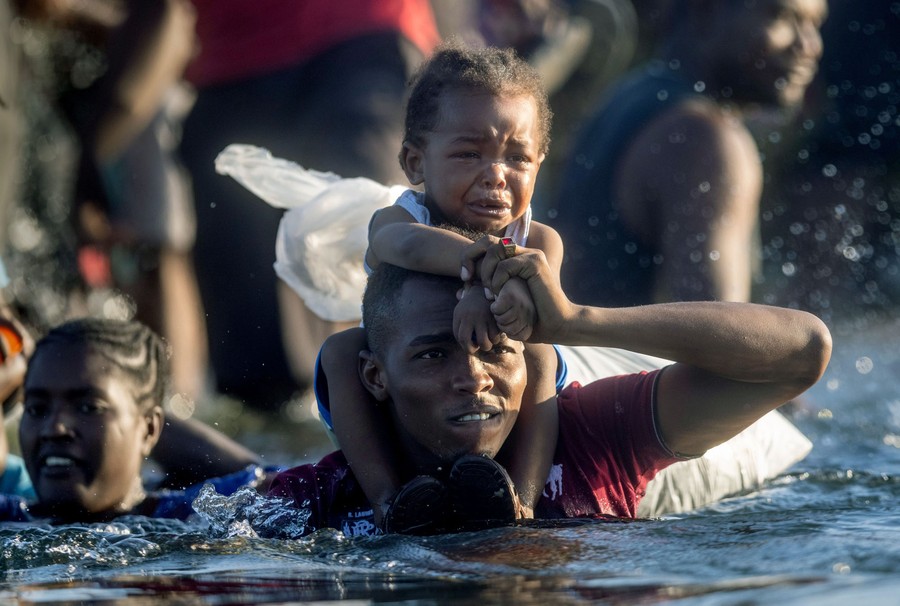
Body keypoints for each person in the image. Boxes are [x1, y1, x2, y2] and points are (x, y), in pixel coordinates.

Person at [264, 241, 832, 538]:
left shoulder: (595, 440)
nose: (474, 377)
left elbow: (803, 351)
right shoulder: (325, 497)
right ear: (374, 377)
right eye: (434, 355)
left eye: (496, 349)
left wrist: (576, 322)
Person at [316, 42, 564, 532]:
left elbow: (538, 308)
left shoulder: (539, 240)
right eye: (469, 153)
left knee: (540, 354)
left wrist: (489, 291)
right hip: (407, 381)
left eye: (518, 158)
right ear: (415, 163)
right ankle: (388, 500)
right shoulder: (398, 220)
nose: (496, 176)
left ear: (540, 163)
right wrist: (478, 274)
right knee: (340, 351)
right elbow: (407, 247)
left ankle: (522, 499)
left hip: (501, 386)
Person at [178, 0, 440, 409]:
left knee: (372, 239)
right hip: (236, 63)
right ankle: (280, 413)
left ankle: (389, 401)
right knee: (249, 332)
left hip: (358, 37)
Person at [549, 0, 828, 306]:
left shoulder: (630, 93)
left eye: (815, 24)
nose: (810, 46)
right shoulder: (704, 139)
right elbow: (719, 330)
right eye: (782, 16)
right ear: (706, 11)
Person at [1, 317, 271, 523]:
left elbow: (283, 482)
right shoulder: (10, 519)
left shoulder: (192, 515)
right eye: (36, 409)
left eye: (88, 407)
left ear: (150, 429)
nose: (55, 429)